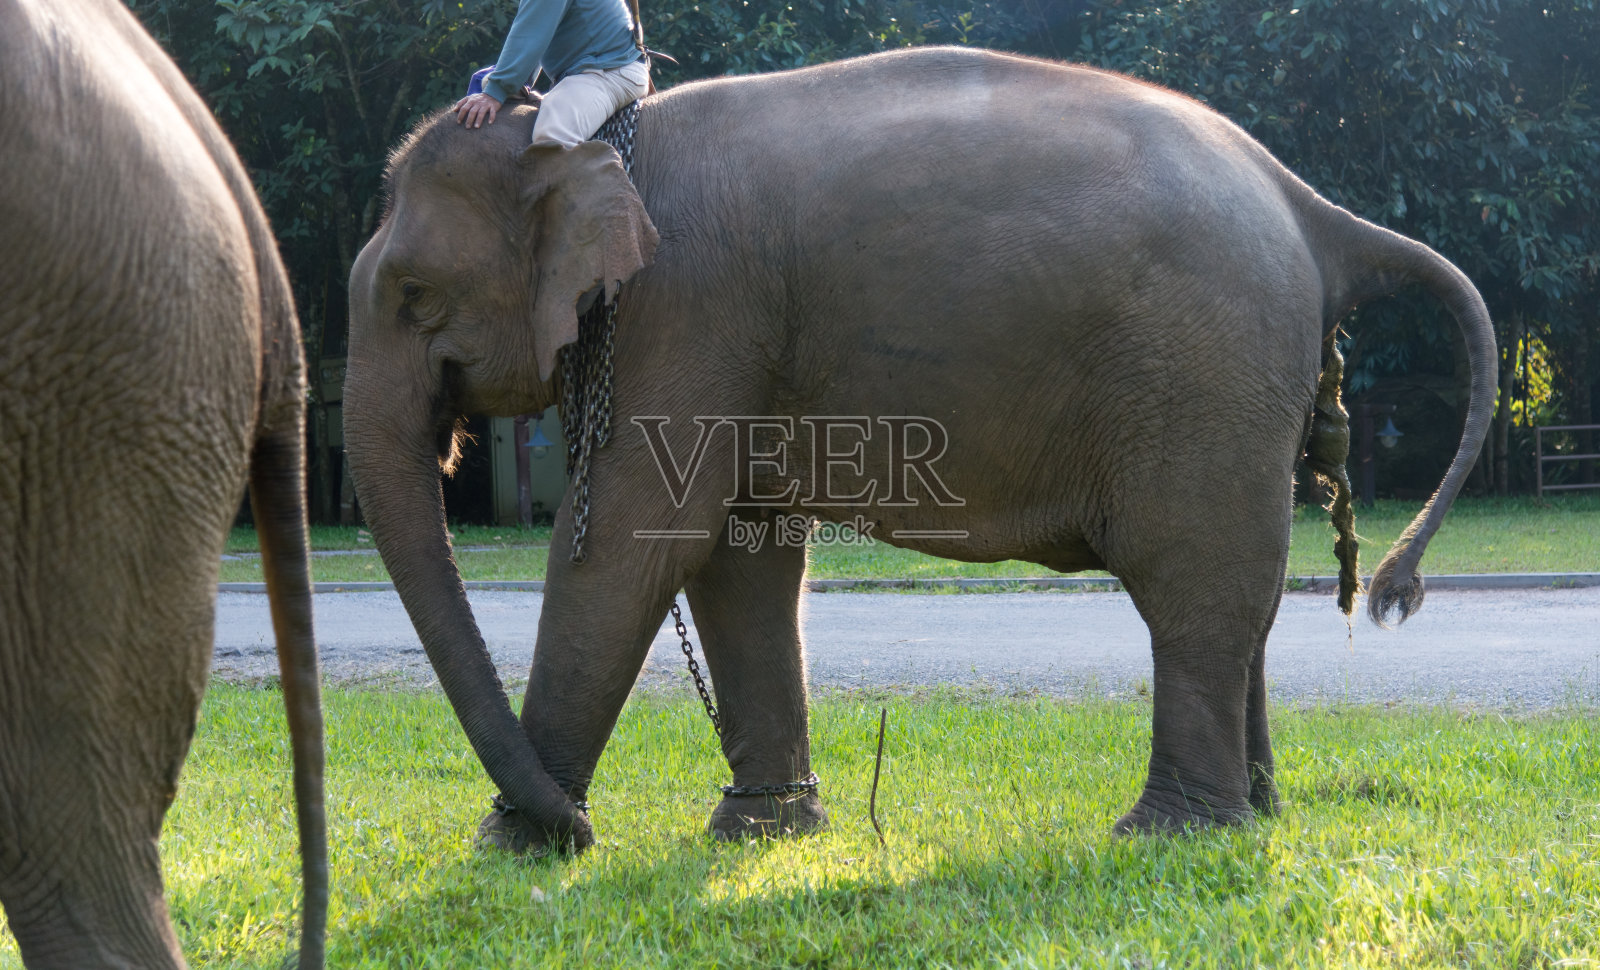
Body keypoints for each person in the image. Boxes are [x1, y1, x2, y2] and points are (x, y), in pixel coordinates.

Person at [453, 0, 649, 148]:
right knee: (488, 82)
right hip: (595, 69)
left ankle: (604, 203)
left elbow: (531, 34)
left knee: (552, 139)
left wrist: (497, 90)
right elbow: (539, 32)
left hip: (609, 72)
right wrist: (509, 85)